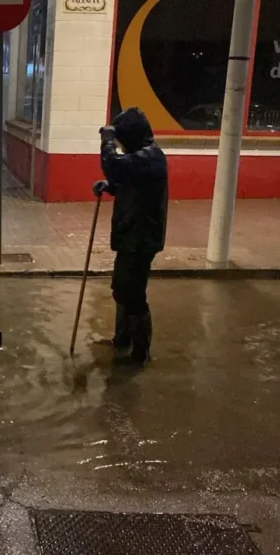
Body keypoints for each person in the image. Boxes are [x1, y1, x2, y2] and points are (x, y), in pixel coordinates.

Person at [92, 107, 168, 365]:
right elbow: (126, 178)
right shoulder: (140, 157)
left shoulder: (151, 157)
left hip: (141, 238)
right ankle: (122, 339)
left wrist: (106, 141)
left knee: (133, 294)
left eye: (122, 139)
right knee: (120, 289)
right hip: (130, 235)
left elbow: (114, 166)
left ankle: (140, 352)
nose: (120, 145)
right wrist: (111, 186)